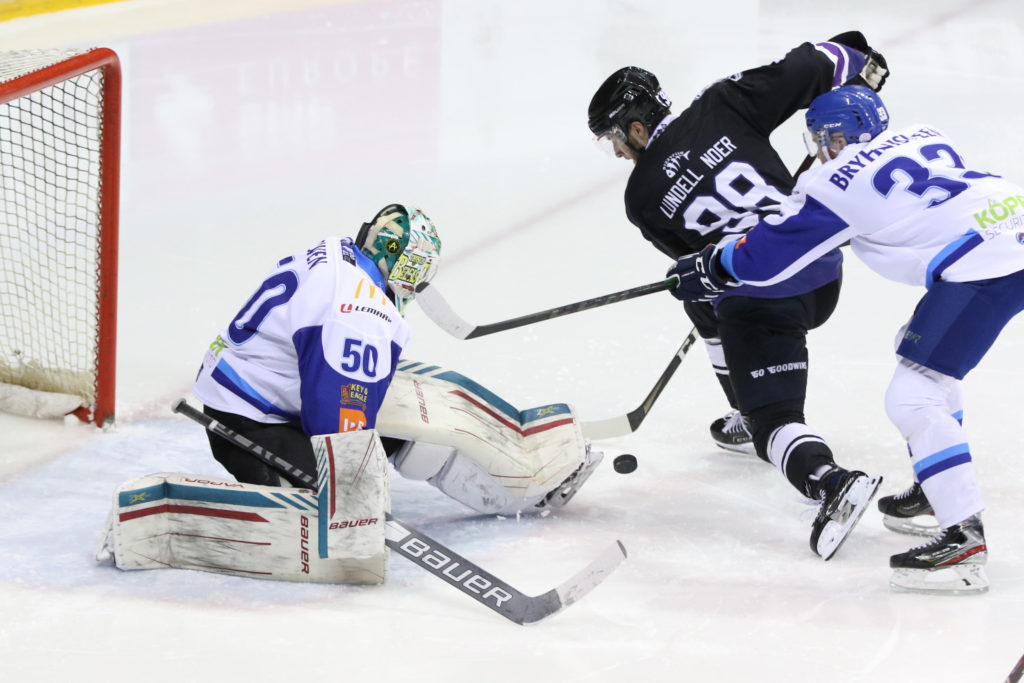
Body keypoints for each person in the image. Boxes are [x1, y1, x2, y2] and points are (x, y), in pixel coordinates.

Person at [668, 85, 1020, 593]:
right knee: (921, 351)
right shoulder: (925, 134)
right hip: (1011, 228)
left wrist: (711, 267)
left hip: (986, 266)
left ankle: (964, 537)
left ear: (838, 137)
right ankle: (933, 487)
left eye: (822, 140)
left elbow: (767, 259)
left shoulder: (834, 183)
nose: (817, 151)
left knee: (913, 395)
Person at [587, 33, 887, 560]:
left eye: (615, 136)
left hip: (761, 305)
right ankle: (744, 411)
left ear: (636, 126)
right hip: (819, 270)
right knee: (698, 294)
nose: (616, 149)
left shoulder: (640, 198)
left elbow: (702, 266)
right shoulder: (722, 104)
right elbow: (814, 62)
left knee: (775, 418)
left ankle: (829, 479)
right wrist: (858, 56)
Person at [192, 204, 599, 516]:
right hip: (248, 423)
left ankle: (523, 475)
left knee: (418, 417)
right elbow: (335, 426)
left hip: (268, 388)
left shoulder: (341, 256)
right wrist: (354, 496)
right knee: (352, 505)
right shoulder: (360, 310)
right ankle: (520, 492)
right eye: (419, 268)